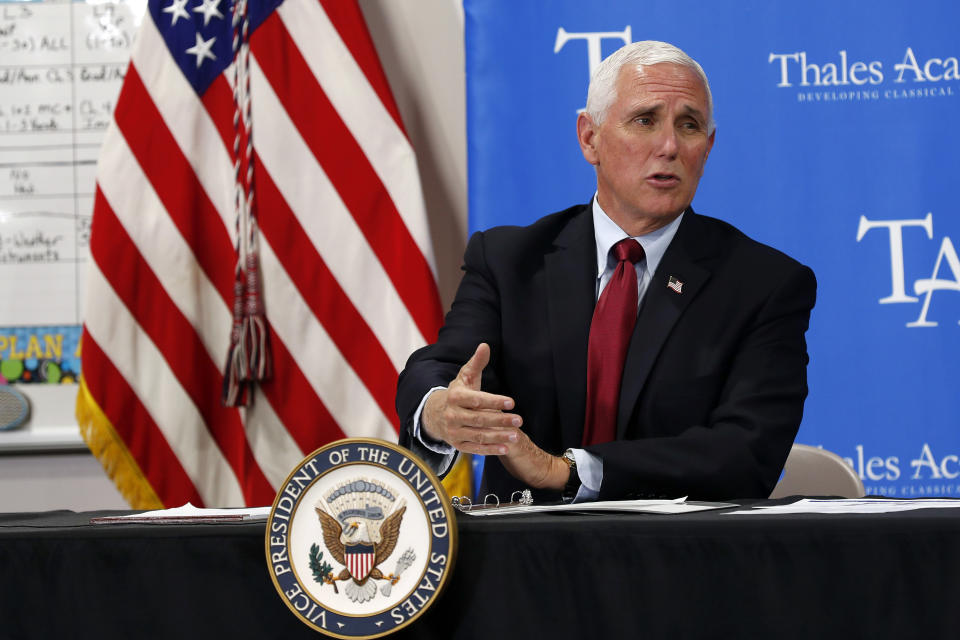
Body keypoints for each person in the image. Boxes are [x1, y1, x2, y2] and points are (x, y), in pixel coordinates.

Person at [396, 40, 816, 502]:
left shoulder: (764, 285)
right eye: (645, 120)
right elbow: (440, 366)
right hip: (525, 562)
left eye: (690, 125)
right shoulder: (510, 259)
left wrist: (568, 472)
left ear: (709, 147)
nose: (670, 146)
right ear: (589, 138)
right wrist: (440, 411)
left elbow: (746, 452)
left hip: (682, 563)